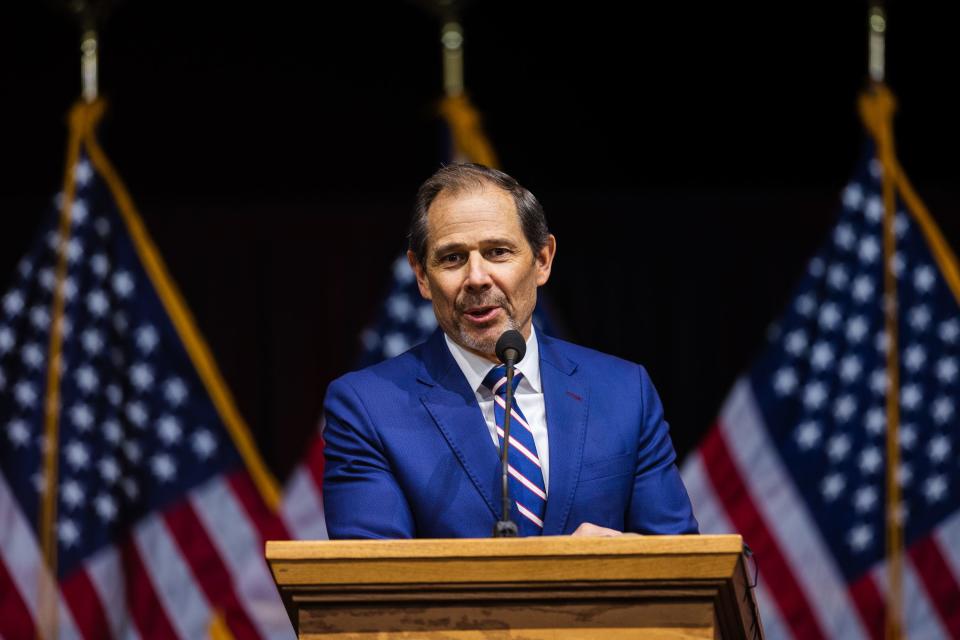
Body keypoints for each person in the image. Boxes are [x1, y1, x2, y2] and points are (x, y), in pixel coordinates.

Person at [322, 163, 698, 538]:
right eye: (452, 258)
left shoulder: (624, 392)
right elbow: (376, 581)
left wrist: (622, 564)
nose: (477, 278)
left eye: (498, 251)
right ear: (421, 275)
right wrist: (563, 571)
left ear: (542, 260)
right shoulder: (367, 408)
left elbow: (683, 566)